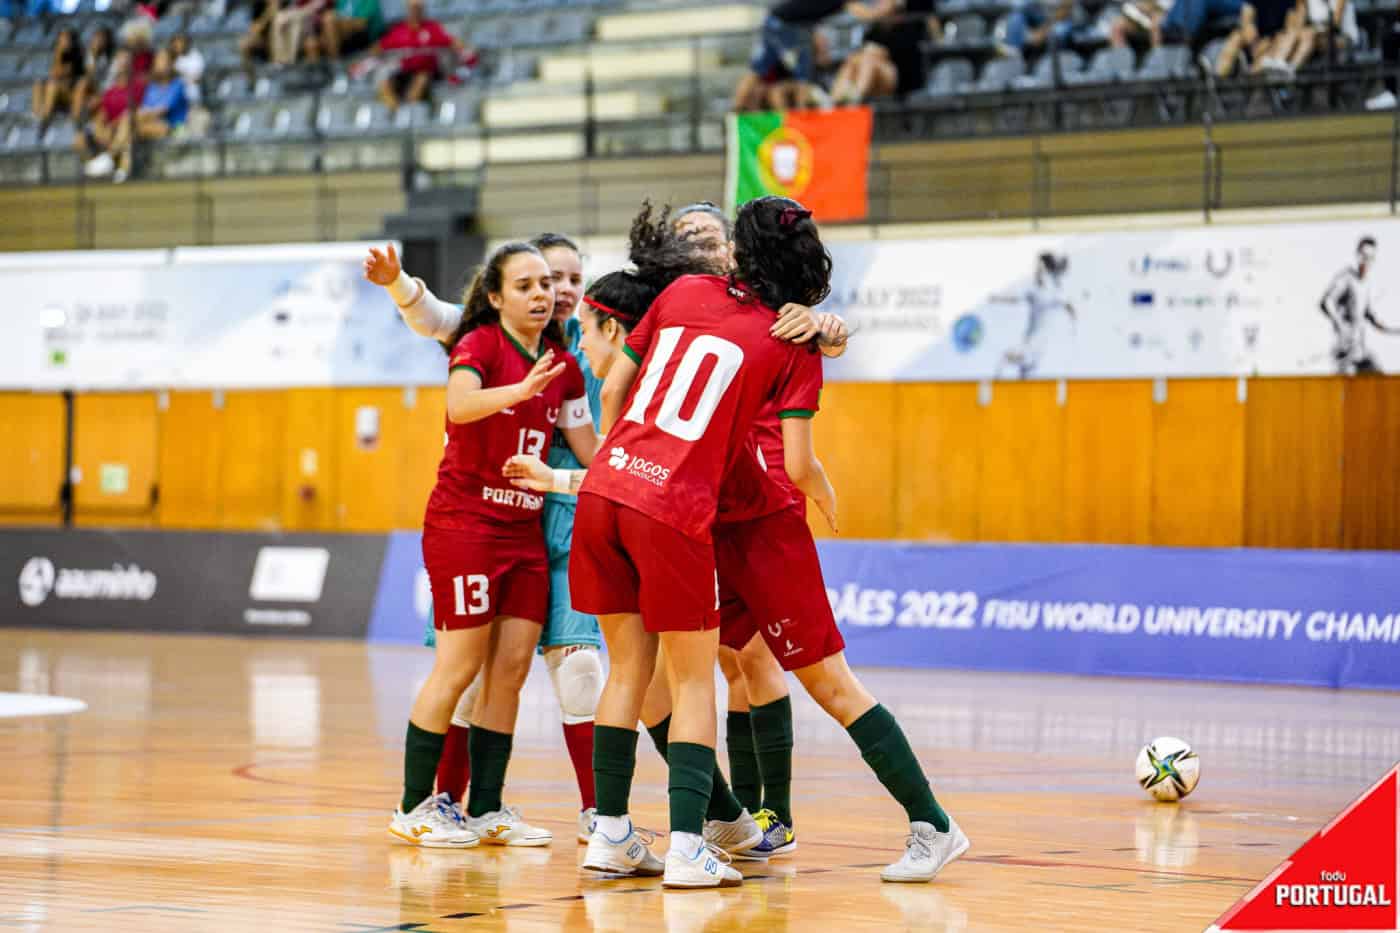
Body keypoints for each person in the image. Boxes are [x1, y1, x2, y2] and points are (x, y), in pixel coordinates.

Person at [540, 199, 970, 887]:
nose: (709, 245)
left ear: (739, 252)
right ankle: (719, 819)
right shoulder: (689, 293)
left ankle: (925, 822)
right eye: (697, 236)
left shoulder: (782, 329)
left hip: (757, 517)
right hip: (689, 512)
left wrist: (828, 327)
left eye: (719, 235)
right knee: (665, 678)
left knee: (803, 677)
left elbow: (638, 395)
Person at [569, 197, 834, 889]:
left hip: (612, 487)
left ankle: (612, 833)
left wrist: (623, 455)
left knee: (636, 671)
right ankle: (691, 843)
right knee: (694, 677)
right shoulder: (761, 324)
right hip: (678, 503)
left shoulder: (689, 295)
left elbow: (613, 384)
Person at [367, 234, 605, 843]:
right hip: (465, 528)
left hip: (524, 533)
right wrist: (521, 391)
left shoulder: (565, 367)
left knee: (511, 670)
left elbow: (590, 450)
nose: (542, 295)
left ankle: (488, 809)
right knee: (459, 668)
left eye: (547, 285)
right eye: (526, 286)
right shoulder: (478, 344)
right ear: (496, 296)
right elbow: (462, 405)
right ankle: (413, 808)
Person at [734, 1, 849, 111]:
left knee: (756, 70)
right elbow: (856, 8)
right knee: (803, 76)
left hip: (772, 21)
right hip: (788, 25)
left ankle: (736, 110)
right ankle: (800, 114)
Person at [830, 0, 939, 105]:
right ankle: (833, 102)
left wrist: (877, 53)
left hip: (902, 76)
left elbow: (904, 55)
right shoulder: (875, 31)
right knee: (853, 60)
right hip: (871, 73)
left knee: (868, 60)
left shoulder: (910, 26)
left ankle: (854, 100)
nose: (879, 3)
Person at [1319, 237, 1400, 375]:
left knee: (1380, 381)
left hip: (1360, 350)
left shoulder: (1366, 283)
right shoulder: (1346, 277)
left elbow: (1369, 314)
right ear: (1357, 255)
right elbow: (1326, 302)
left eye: (1370, 258)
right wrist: (1341, 325)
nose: (1366, 261)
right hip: (1345, 351)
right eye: (1363, 256)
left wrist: (1392, 329)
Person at [371, 0, 463, 115]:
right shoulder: (399, 30)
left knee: (421, 79)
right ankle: (397, 114)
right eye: (412, 8)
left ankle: (410, 113)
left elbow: (453, 43)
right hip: (404, 70)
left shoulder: (432, 28)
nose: (415, 11)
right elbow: (378, 47)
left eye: (418, 8)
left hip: (428, 71)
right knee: (384, 84)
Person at [996, 252, 1076, 381]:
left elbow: (1068, 305)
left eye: (1040, 268)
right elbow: (1015, 298)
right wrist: (997, 299)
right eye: (1036, 268)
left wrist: (1073, 319)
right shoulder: (1034, 289)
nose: (1037, 271)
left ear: (1047, 270)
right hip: (1031, 345)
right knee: (1020, 372)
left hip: (1039, 348)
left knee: (1007, 360)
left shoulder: (1055, 291)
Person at [76, 51, 145, 179]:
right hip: (112, 130)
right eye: (119, 61)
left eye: (125, 61)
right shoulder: (110, 91)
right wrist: (101, 126)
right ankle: (98, 166)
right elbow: (104, 113)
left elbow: (135, 111)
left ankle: (112, 163)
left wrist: (112, 126)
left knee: (126, 125)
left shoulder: (137, 85)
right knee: (80, 137)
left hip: (130, 127)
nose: (122, 65)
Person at [32, 28, 85, 131]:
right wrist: (59, 52)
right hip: (57, 92)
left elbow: (60, 74)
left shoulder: (77, 56)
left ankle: (45, 117)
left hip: (71, 95)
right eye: (61, 40)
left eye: (66, 39)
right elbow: (53, 74)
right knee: (38, 84)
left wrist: (59, 53)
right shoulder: (58, 54)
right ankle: (37, 115)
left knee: (53, 86)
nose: (64, 42)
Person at [320, 0, 385, 61]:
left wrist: (338, 24)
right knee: (311, 44)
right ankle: (323, 68)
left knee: (329, 18)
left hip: (364, 34)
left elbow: (362, 23)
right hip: (341, 32)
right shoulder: (342, 1)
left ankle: (334, 61)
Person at [170, 34, 205, 106]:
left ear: (186, 43)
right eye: (175, 44)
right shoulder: (172, 57)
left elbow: (196, 78)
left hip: (191, 95)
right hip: (174, 96)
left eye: (180, 43)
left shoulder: (195, 56)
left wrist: (179, 72)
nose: (177, 46)